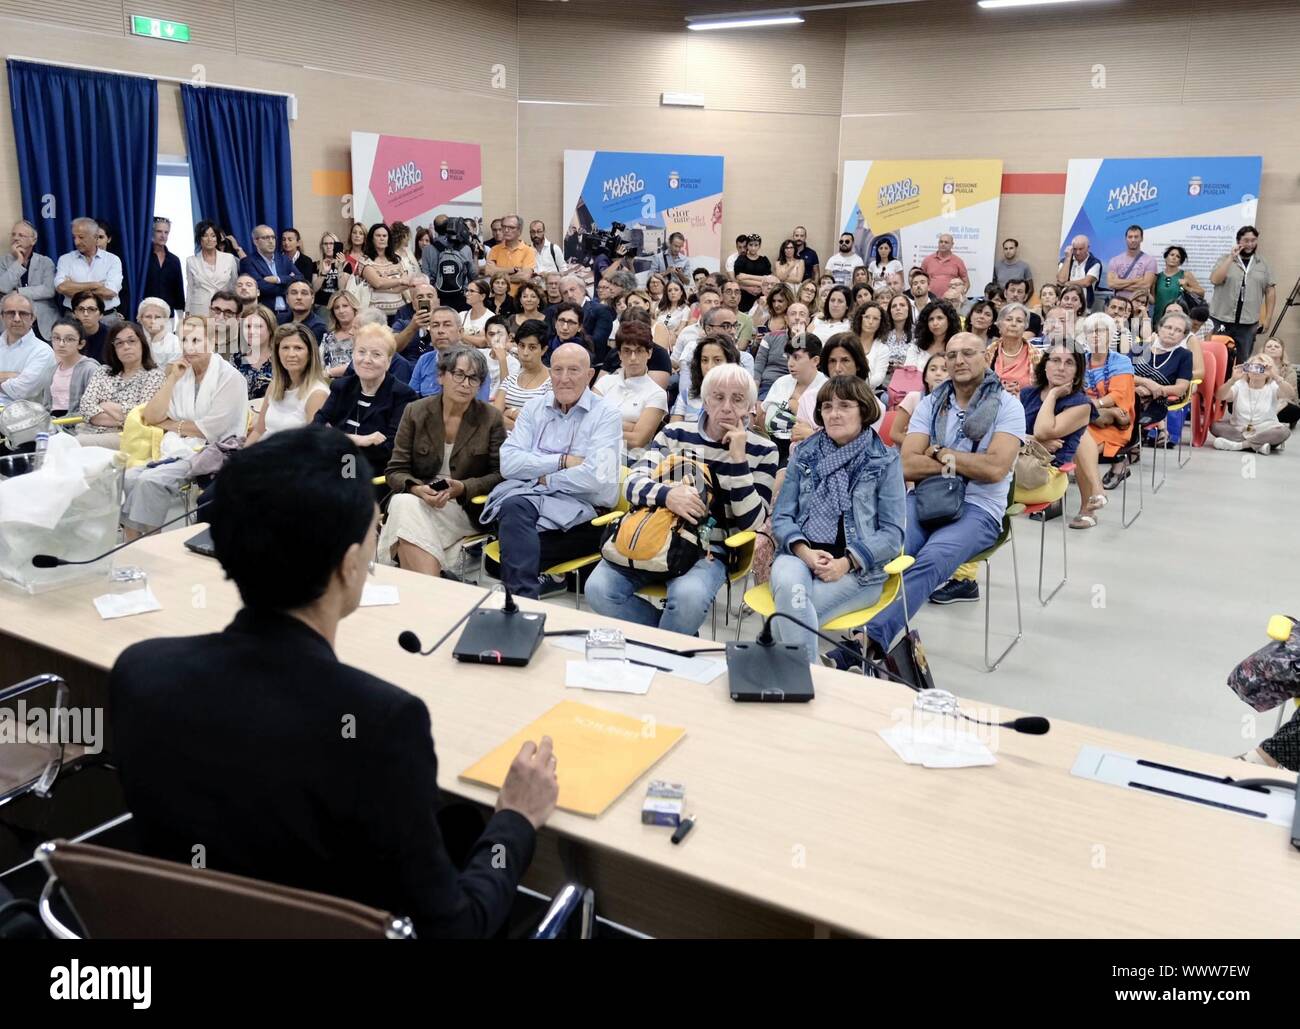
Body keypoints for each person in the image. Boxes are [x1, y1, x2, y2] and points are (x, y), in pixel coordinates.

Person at [110, 425, 556, 939]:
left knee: (452, 825)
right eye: (374, 533)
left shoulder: (140, 670)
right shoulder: (381, 721)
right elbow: (454, 930)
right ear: (350, 565)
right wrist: (516, 818)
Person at [585, 363, 778, 635]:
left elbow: (752, 522)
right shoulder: (674, 434)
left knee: (687, 600)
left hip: (710, 548)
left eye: (737, 399)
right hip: (654, 534)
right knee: (598, 590)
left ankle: (669, 643)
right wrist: (669, 496)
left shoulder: (764, 450)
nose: (726, 407)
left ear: (750, 407)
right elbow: (632, 483)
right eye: (718, 397)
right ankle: (674, 639)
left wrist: (739, 460)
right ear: (705, 400)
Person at [869, 332, 1023, 620]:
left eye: (968, 353)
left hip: (979, 508)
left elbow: (994, 470)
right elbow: (907, 466)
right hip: (928, 497)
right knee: (885, 549)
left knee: (931, 559)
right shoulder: (931, 404)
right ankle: (860, 627)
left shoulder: (1008, 406)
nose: (958, 360)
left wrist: (938, 452)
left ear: (986, 358)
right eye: (951, 355)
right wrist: (963, 463)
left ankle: (867, 642)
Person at [769, 376, 905, 663]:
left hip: (858, 571)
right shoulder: (805, 453)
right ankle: (817, 679)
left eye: (844, 406)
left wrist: (847, 561)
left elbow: (893, 535)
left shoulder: (884, 461)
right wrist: (804, 553)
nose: (834, 414)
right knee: (791, 598)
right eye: (827, 406)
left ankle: (805, 681)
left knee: (788, 615)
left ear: (863, 409)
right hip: (799, 555)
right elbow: (782, 516)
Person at [479, 342, 622, 598]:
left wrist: (542, 478)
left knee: (509, 550)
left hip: (585, 517)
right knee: (514, 513)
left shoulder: (606, 415)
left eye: (573, 370)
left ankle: (519, 599)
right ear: (550, 372)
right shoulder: (534, 408)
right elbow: (509, 463)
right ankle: (524, 598)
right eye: (557, 370)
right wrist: (562, 461)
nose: (564, 379)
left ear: (589, 375)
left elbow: (595, 478)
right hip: (531, 507)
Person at [380, 345, 505, 577]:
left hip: (463, 508)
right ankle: (434, 584)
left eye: (473, 378)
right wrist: (417, 489)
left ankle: (428, 589)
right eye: (459, 375)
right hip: (420, 499)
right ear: (441, 376)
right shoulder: (415, 411)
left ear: (480, 384)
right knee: (404, 504)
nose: (465, 384)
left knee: (401, 510)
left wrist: (463, 488)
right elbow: (395, 470)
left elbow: (500, 475)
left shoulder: (491, 419)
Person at [121, 315, 249, 538]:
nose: (189, 348)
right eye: (184, 340)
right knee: (129, 477)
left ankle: (147, 546)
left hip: (212, 451)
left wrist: (171, 424)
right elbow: (151, 416)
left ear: (212, 341)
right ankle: (132, 545)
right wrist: (171, 379)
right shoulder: (181, 373)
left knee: (150, 481)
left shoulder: (231, 377)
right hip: (176, 448)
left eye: (196, 341)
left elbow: (209, 429)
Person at [313, 322, 417, 479]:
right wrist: (361, 440)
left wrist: (334, 437)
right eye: (361, 352)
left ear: (388, 362)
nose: (367, 360)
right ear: (353, 355)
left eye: (376, 354)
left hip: (374, 475)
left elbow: (388, 449)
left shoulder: (403, 395)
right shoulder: (341, 386)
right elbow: (316, 429)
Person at [1020, 343, 1104, 529]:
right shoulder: (1027, 393)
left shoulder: (1081, 404)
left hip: (1046, 476)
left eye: (1069, 363)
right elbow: (1006, 433)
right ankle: (1095, 492)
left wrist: (1053, 395)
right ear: (1045, 364)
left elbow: (1042, 431)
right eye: (1055, 360)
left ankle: (1089, 504)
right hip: (1016, 467)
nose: (1061, 367)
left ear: (1077, 370)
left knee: (1082, 437)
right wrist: (1032, 440)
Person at [76, 318, 165, 449]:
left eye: (131, 341)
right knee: (56, 440)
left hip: (129, 436)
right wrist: (122, 417)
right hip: (88, 430)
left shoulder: (154, 375)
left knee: (72, 444)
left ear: (142, 344)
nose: (126, 347)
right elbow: (85, 407)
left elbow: (142, 415)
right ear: (114, 349)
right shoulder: (103, 371)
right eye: (119, 343)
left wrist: (105, 405)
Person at [594, 322, 669, 459]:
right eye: (627, 351)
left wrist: (601, 425)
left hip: (630, 460)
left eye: (639, 351)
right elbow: (586, 423)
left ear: (649, 353)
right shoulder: (604, 383)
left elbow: (637, 441)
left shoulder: (657, 393)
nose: (633, 358)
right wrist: (626, 426)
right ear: (620, 354)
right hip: (594, 452)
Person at [246, 324, 330, 445]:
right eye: (285, 348)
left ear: (310, 354)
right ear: (277, 353)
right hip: (262, 453)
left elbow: (314, 446)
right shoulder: (274, 385)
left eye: (298, 348)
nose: (291, 354)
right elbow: (259, 431)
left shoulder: (317, 394)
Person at [1080, 312, 1137, 488]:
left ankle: (1091, 489)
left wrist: (1093, 405)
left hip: (1114, 421)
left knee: (1081, 449)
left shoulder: (1121, 361)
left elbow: (1118, 396)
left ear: (1111, 335)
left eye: (1101, 331)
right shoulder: (1081, 360)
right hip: (1084, 416)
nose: (1095, 335)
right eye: (1091, 331)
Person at [1209, 225, 1274, 365]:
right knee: (1218, 358)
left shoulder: (1262, 264)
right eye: (1246, 240)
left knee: (1244, 360)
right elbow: (1215, 280)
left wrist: (1267, 319)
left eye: (1253, 240)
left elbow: (1270, 291)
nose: (1250, 244)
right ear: (1238, 241)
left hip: (1248, 322)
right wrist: (1231, 258)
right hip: (1221, 319)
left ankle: (1239, 385)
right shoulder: (1224, 259)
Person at [1131, 308, 1195, 445]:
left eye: (1178, 330)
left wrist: (1154, 390)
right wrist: (1147, 383)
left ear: (1184, 336)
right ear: (1159, 328)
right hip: (1129, 394)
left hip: (1157, 403)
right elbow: (1123, 374)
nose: (1171, 332)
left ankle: (1130, 448)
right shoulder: (1140, 347)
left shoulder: (1184, 356)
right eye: (1168, 327)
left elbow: (1181, 388)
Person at [763, 334, 827, 465]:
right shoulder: (781, 382)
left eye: (797, 358)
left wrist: (797, 406)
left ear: (815, 361)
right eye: (788, 357)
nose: (790, 363)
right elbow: (762, 415)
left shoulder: (825, 388)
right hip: (771, 443)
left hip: (804, 449)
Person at [1211, 356, 1296, 454]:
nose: (1256, 371)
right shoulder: (1239, 384)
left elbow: (1291, 394)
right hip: (1240, 429)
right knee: (1215, 426)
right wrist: (1232, 380)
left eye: (1261, 368)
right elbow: (1220, 396)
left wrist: (1275, 376)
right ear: (1247, 369)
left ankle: (1240, 445)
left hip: (1265, 430)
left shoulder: (1272, 386)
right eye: (1252, 367)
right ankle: (1258, 446)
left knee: (1284, 432)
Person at [410, 307, 493, 401]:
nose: (440, 330)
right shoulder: (424, 360)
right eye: (435, 325)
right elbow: (410, 399)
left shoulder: (475, 362)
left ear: (460, 332)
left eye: (447, 325)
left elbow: (480, 405)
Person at [0, 220, 59, 339]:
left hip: (42, 322)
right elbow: (3, 287)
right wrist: (19, 262)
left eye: (21, 235)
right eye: (13, 235)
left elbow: (48, 290)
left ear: (33, 240)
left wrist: (18, 292)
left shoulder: (45, 262)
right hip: (14, 321)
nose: (16, 238)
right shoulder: (3, 262)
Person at [54, 216, 122, 316]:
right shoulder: (65, 259)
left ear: (95, 237)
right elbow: (62, 288)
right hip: (74, 317)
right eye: (74, 237)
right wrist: (95, 285)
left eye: (81, 237)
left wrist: (73, 287)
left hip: (105, 317)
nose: (76, 242)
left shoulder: (113, 260)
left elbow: (110, 292)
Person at [493, 318, 552, 432]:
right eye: (521, 345)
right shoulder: (510, 380)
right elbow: (494, 417)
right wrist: (522, 422)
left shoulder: (551, 383)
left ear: (543, 350)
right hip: (501, 441)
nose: (525, 353)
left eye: (532, 347)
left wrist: (510, 412)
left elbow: (541, 425)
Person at [670, 334, 741, 425]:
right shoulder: (687, 395)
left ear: (730, 363)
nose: (709, 366)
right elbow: (672, 431)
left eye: (717, 360)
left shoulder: (742, 396)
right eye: (704, 360)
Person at [0, 292, 55, 401]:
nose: (16, 318)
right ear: (2, 317)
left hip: (23, 415)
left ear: (33, 318)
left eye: (23, 313)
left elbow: (21, 391)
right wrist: (13, 376)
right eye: (11, 313)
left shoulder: (43, 351)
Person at [239, 225, 305, 315]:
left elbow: (300, 278)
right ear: (256, 241)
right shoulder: (248, 262)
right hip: (265, 313)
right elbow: (260, 287)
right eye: (266, 238)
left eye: (273, 237)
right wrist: (290, 287)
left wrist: (278, 279)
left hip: (289, 312)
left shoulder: (283, 259)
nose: (271, 241)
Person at [40, 317, 98, 416]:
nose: (61, 344)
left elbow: (94, 407)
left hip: (79, 424)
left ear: (81, 344)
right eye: (56, 338)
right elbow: (46, 406)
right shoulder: (51, 371)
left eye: (69, 339)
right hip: (52, 424)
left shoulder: (90, 369)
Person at [890, 352, 948, 445]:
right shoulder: (914, 397)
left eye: (944, 370)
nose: (938, 373)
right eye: (933, 369)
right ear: (925, 377)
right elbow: (895, 434)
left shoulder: (955, 403)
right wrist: (919, 447)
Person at [359, 223, 413, 321]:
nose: (382, 238)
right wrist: (399, 281)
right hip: (375, 316)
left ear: (388, 239)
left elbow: (405, 285)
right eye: (378, 236)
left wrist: (382, 287)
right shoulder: (365, 260)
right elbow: (378, 283)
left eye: (384, 236)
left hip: (399, 313)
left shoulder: (397, 259)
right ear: (372, 239)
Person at [987, 303, 1038, 393]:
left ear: (1025, 327)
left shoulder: (1037, 355)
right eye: (1009, 319)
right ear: (999, 325)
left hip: (1026, 404)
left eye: (1019, 321)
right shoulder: (988, 352)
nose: (1013, 324)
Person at [485, 214, 535, 297]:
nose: (506, 230)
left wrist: (498, 276)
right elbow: (489, 272)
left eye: (511, 227)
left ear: (519, 230)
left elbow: (524, 277)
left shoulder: (528, 250)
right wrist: (513, 270)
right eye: (504, 227)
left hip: (518, 298)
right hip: (498, 299)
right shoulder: (494, 249)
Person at [1105, 224, 1158, 302]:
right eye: (1130, 237)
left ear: (1141, 239)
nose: (1133, 240)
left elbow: (1145, 286)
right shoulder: (1115, 260)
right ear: (1126, 239)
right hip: (1119, 306)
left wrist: (1119, 284)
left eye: (1136, 237)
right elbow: (1111, 284)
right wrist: (1135, 281)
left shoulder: (1150, 261)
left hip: (1139, 306)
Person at [236, 305, 278, 401]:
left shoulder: (281, 359)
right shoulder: (236, 359)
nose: (251, 331)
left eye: (258, 326)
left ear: (270, 329)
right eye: (247, 326)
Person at [1152, 245, 1204, 318]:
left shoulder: (1185, 275)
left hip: (1179, 316)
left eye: (1178, 256)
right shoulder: (1157, 277)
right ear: (1166, 257)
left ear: (1180, 262)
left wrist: (1186, 288)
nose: (1174, 258)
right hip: (1159, 316)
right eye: (1172, 255)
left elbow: (1201, 293)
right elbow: (1153, 300)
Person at [320, 290, 361, 379]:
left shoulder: (363, 334)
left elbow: (360, 363)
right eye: (336, 308)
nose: (341, 311)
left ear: (354, 308)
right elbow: (320, 362)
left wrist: (329, 372)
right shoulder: (327, 337)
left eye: (345, 306)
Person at [1056, 235, 1103, 310]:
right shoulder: (1064, 261)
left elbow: (1086, 282)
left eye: (1081, 249)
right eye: (1075, 249)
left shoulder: (1095, 263)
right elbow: (1061, 280)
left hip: (1084, 305)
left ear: (1088, 248)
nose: (1077, 252)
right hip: (1065, 304)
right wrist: (1068, 258)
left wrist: (1067, 283)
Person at [1261, 338, 1300, 429]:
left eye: (1276, 346)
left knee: (1293, 410)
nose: (1272, 348)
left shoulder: (1290, 371)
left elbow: (1290, 396)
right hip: (1260, 400)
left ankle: (1265, 419)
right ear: (1264, 350)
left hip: (1281, 404)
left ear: (1282, 351)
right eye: (1269, 346)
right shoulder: (1256, 365)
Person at [312, 231, 353, 310]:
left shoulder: (346, 265)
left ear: (336, 245)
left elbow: (342, 289)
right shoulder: (316, 265)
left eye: (331, 243)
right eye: (325, 244)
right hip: (320, 305)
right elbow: (314, 289)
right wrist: (323, 273)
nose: (328, 247)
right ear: (322, 247)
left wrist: (340, 268)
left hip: (338, 305)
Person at [137, 296, 180, 367]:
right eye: (148, 317)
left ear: (166, 319)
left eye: (158, 317)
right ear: (140, 319)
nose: (153, 321)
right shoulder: (138, 342)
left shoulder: (174, 344)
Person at [69, 291, 110, 363]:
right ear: (74, 314)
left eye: (91, 309)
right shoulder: (68, 335)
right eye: (81, 309)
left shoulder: (111, 336)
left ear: (101, 314)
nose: (86, 314)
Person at [458, 278, 493, 348]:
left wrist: (462, 336)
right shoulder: (461, 315)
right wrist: (475, 338)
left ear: (482, 296)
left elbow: (483, 342)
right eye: (467, 291)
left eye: (471, 291)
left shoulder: (491, 318)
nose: (467, 294)